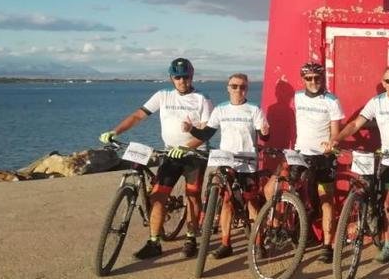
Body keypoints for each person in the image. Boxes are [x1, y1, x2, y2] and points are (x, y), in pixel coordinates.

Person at [98, 58, 213, 259]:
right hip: (170, 154)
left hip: (194, 155)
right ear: (171, 78)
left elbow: (205, 133)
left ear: (192, 76)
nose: (182, 81)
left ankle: (191, 238)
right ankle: (154, 242)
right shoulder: (163, 95)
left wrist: (186, 147)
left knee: (193, 196)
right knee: (158, 196)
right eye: (177, 77)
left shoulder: (202, 99)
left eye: (185, 76)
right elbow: (138, 116)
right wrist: (115, 132)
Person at [327, 66, 389, 264]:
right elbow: (355, 124)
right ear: (383, 83)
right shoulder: (377, 102)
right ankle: (388, 245)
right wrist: (336, 139)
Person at [182, 73, 269, 259]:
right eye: (234, 86)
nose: (238, 90)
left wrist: (265, 132)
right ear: (228, 88)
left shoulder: (254, 109)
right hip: (226, 161)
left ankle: (259, 243)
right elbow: (206, 134)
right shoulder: (220, 109)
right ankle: (225, 244)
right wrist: (191, 129)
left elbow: (265, 136)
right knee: (227, 202)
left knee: (252, 203)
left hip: (247, 163)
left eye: (242, 86)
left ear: (247, 89)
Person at [272, 62, 344, 264]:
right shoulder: (297, 97)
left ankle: (327, 245)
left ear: (322, 79)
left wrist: (332, 143)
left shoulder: (332, 100)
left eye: (317, 78)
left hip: (323, 157)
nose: (313, 81)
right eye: (309, 78)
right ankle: (294, 229)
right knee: (289, 192)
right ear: (303, 79)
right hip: (301, 154)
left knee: (325, 199)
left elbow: (336, 131)